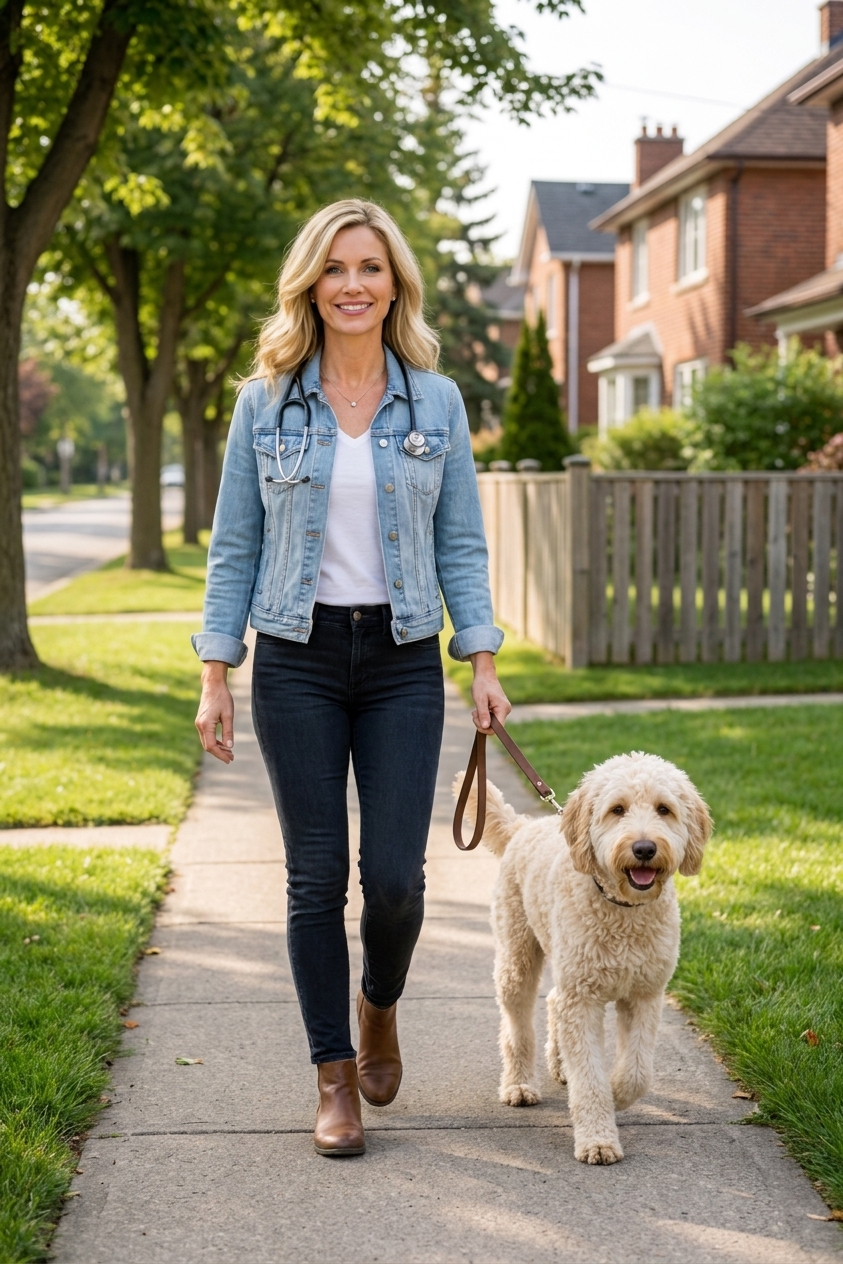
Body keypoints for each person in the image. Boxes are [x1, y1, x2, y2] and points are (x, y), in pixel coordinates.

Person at [192, 199, 510, 1158]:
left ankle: (379, 1004)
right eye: (335, 269)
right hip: (297, 658)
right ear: (310, 285)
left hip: (405, 661)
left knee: (398, 882)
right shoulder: (267, 402)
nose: (353, 285)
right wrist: (217, 674)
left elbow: (460, 540)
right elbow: (233, 546)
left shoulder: (436, 401)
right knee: (314, 878)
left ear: (395, 283)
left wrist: (482, 659)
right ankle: (333, 1078)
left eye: (370, 267)